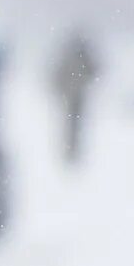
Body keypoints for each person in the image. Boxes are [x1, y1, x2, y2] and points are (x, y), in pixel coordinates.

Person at [51, 28, 100, 165]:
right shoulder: (76, 56)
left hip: (76, 95)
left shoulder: (78, 56)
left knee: (73, 124)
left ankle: (72, 151)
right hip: (72, 95)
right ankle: (70, 150)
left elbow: (94, 71)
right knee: (71, 124)